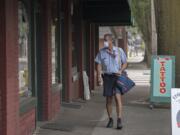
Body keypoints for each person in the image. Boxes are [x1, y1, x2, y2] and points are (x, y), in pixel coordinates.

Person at [95, 34, 127, 129]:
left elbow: (125, 63)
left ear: (111, 41)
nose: (104, 41)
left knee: (118, 98)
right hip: (107, 77)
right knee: (109, 99)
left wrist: (121, 70)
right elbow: (99, 64)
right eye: (104, 40)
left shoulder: (119, 50)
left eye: (106, 40)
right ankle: (110, 119)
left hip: (117, 77)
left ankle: (119, 120)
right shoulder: (101, 52)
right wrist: (98, 76)